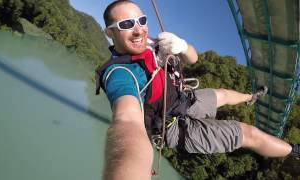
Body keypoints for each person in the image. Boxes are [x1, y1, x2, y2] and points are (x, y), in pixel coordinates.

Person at [96, 1, 300, 179]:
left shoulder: (152, 44)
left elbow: (193, 59)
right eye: (126, 24)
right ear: (110, 32)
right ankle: (295, 151)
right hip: (171, 126)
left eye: (141, 20)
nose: (138, 29)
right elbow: (127, 121)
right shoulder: (120, 74)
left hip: (183, 99)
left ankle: (250, 97)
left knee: (224, 94)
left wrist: (183, 46)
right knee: (249, 134)